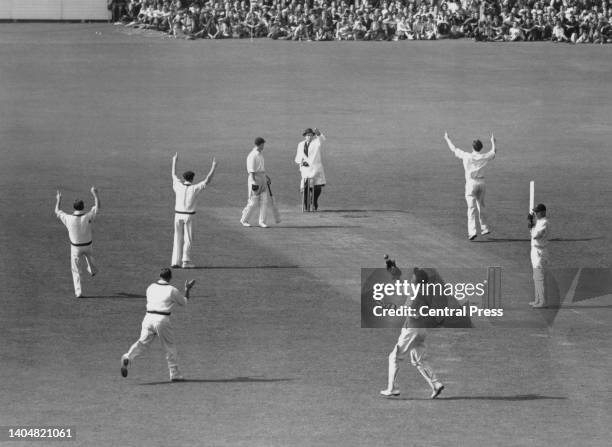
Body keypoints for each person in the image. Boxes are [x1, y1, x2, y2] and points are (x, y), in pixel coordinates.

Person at [120, 268, 196, 381]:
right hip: (162, 319)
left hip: (148, 318)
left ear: (160, 276)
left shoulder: (150, 287)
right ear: (170, 278)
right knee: (169, 347)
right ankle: (174, 373)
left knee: (142, 343)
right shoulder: (172, 290)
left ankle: (127, 357)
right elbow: (184, 302)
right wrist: (187, 289)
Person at [380, 267, 445, 399]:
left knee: (394, 357)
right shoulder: (422, 291)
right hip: (421, 330)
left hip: (411, 330)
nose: (411, 277)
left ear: (417, 280)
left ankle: (392, 388)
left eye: (414, 276)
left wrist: (391, 309)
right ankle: (436, 384)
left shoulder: (416, 293)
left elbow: (408, 310)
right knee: (419, 360)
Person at [444, 132, 497, 240]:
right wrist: (492, 142)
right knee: (481, 205)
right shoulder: (483, 156)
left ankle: (472, 232)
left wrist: (447, 139)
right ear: (481, 148)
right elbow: (493, 152)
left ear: (473, 147)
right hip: (481, 183)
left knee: (471, 208)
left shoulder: (466, 156)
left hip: (471, 184)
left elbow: (454, 149)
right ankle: (485, 228)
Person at [171, 153, 217, 268]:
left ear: (184, 178)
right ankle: (185, 261)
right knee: (188, 239)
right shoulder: (194, 188)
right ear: (192, 179)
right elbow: (207, 180)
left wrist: (174, 161)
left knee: (177, 237)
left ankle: (175, 262)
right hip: (189, 216)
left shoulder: (178, 185)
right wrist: (213, 167)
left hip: (177, 216)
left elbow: (173, 174)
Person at [55, 187, 100, 298]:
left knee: (76, 270)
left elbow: (57, 211)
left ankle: (78, 292)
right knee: (90, 258)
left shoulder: (69, 218)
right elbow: (97, 207)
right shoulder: (88, 216)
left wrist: (58, 199)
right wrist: (95, 194)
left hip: (75, 248)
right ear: (83, 207)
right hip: (88, 245)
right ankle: (92, 270)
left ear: (73, 208)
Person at [294, 128, 326, 211]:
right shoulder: (300, 144)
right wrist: (301, 162)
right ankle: (306, 205)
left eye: (311, 135)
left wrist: (319, 134)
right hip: (305, 169)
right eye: (308, 135)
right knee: (305, 188)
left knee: (317, 187)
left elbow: (322, 140)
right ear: (305, 136)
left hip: (316, 168)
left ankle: (314, 201)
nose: (309, 137)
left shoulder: (316, 142)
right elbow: (298, 156)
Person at [241, 137, 269, 227]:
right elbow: (251, 171)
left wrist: (266, 177)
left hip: (262, 178)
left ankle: (262, 222)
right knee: (253, 202)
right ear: (260, 144)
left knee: (264, 201)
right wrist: (254, 182)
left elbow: (261, 168)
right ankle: (244, 219)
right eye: (263, 144)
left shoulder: (260, 154)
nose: (264, 146)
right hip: (255, 179)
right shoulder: (252, 155)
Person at [528, 203, 549, 308]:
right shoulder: (539, 222)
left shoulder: (544, 223)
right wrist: (531, 223)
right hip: (535, 251)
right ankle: (537, 300)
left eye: (538, 212)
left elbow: (536, 236)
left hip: (540, 252)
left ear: (543, 212)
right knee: (535, 276)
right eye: (535, 212)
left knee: (539, 276)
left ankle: (542, 301)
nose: (536, 213)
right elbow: (533, 234)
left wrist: (531, 225)